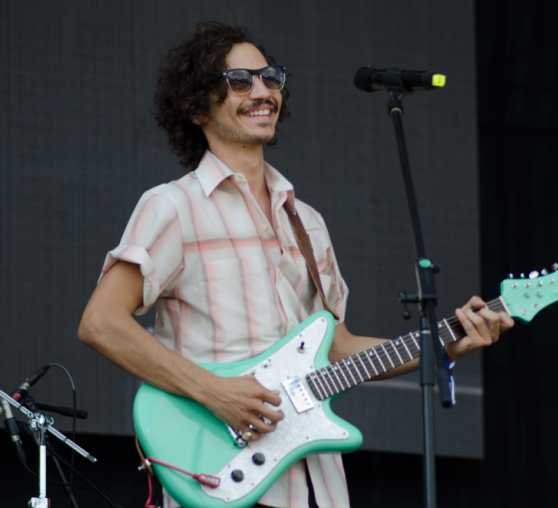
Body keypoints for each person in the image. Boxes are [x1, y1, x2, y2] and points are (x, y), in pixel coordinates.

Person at [77, 21, 514, 508]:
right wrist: (215, 392)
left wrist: (448, 341)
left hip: (315, 485)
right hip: (220, 473)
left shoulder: (306, 222)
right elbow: (101, 323)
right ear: (197, 105)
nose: (262, 91)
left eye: (270, 78)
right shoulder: (174, 207)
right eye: (240, 81)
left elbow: (340, 346)